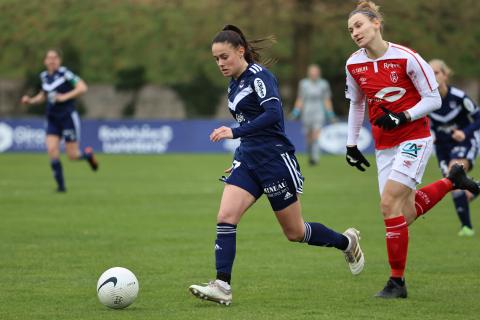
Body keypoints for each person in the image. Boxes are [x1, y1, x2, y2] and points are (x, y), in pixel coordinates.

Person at [189, 25, 365, 306]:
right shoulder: (233, 84)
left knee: (295, 232)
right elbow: (249, 124)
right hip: (248, 161)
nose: (220, 63)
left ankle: (346, 242)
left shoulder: (260, 77)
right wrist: (237, 158)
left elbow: (272, 115)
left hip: (274, 161)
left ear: (240, 51)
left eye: (224, 56)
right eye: (216, 59)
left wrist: (234, 132)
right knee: (225, 216)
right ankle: (222, 285)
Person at [344, 1, 479, 299]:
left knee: (388, 205)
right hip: (384, 145)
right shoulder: (353, 63)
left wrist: (402, 116)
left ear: (376, 23)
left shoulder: (408, 58)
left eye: (359, 25)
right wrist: (352, 143)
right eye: (351, 29)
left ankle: (397, 282)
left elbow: (434, 100)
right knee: (402, 216)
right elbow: (356, 103)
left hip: (414, 138)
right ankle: (451, 180)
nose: (354, 32)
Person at [21, 49, 98, 192]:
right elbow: (43, 95)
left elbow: (82, 88)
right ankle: (61, 187)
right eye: (49, 58)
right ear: (45, 61)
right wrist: (30, 101)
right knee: (51, 150)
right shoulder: (44, 76)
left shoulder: (66, 74)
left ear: (59, 60)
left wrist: (65, 97)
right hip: (52, 118)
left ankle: (88, 155)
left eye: (54, 58)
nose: (52, 60)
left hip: (67, 117)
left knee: (72, 156)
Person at [428, 59, 480, 236]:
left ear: (445, 75)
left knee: (454, 172)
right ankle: (475, 190)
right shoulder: (427, 100)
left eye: (436, 72)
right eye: (429, 73)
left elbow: (478, 117)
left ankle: (467, 229)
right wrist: (432, 136)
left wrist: (465, 132)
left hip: (465, 143)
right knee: (454, 185)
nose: (432, 76)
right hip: (443, 148)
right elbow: (427, 124)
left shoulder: (459, 97)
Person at [291, 64, 337, 165]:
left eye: (315, 72)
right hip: (307, 112)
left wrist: (330, 114)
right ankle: (310, 153)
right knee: (309, 136)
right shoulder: (303, 84)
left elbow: (326, 100)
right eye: (312, 72)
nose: (314, 74)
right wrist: (295, 111)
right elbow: (300, 99)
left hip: (318, 112)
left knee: (316, 134)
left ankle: (315, 158)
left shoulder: (324, 84)